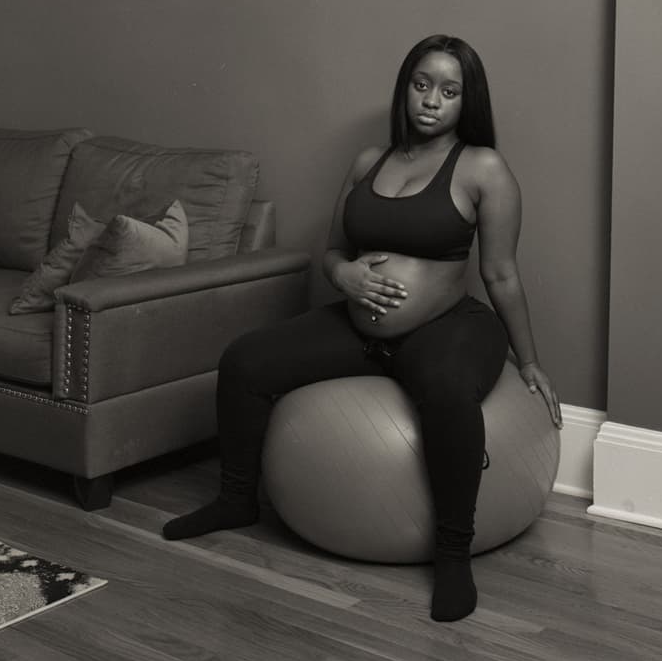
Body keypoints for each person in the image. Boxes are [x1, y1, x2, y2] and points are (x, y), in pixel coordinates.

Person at [163, 35, 561, 624]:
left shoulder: (482, 167)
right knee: (244, 361)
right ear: (404, 88)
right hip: (360, 327)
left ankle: (453, 556)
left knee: (448, 394)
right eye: (421, 84)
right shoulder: (367, 161)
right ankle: (234, 499)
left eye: (449, 91)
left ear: (466, 101)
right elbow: (331, 252)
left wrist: (529, 362)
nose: (431, 100)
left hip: (448, 326)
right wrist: (345, 276)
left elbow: (500, 274)